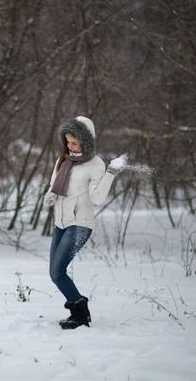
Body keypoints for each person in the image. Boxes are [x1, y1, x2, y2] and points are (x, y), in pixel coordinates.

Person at [43, 116, 126, 329]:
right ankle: (79, 312)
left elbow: (97, 198)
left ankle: (80, 315)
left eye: (74, 142)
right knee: (54, 273)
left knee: (57, 271)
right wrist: (50, 195)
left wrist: (110, 173)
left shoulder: (95, 164)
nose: (69, 146)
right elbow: (54, 184)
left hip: (80, 223)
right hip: (61, 222)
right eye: (67, 141)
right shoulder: (63, 159)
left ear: (85, 142)